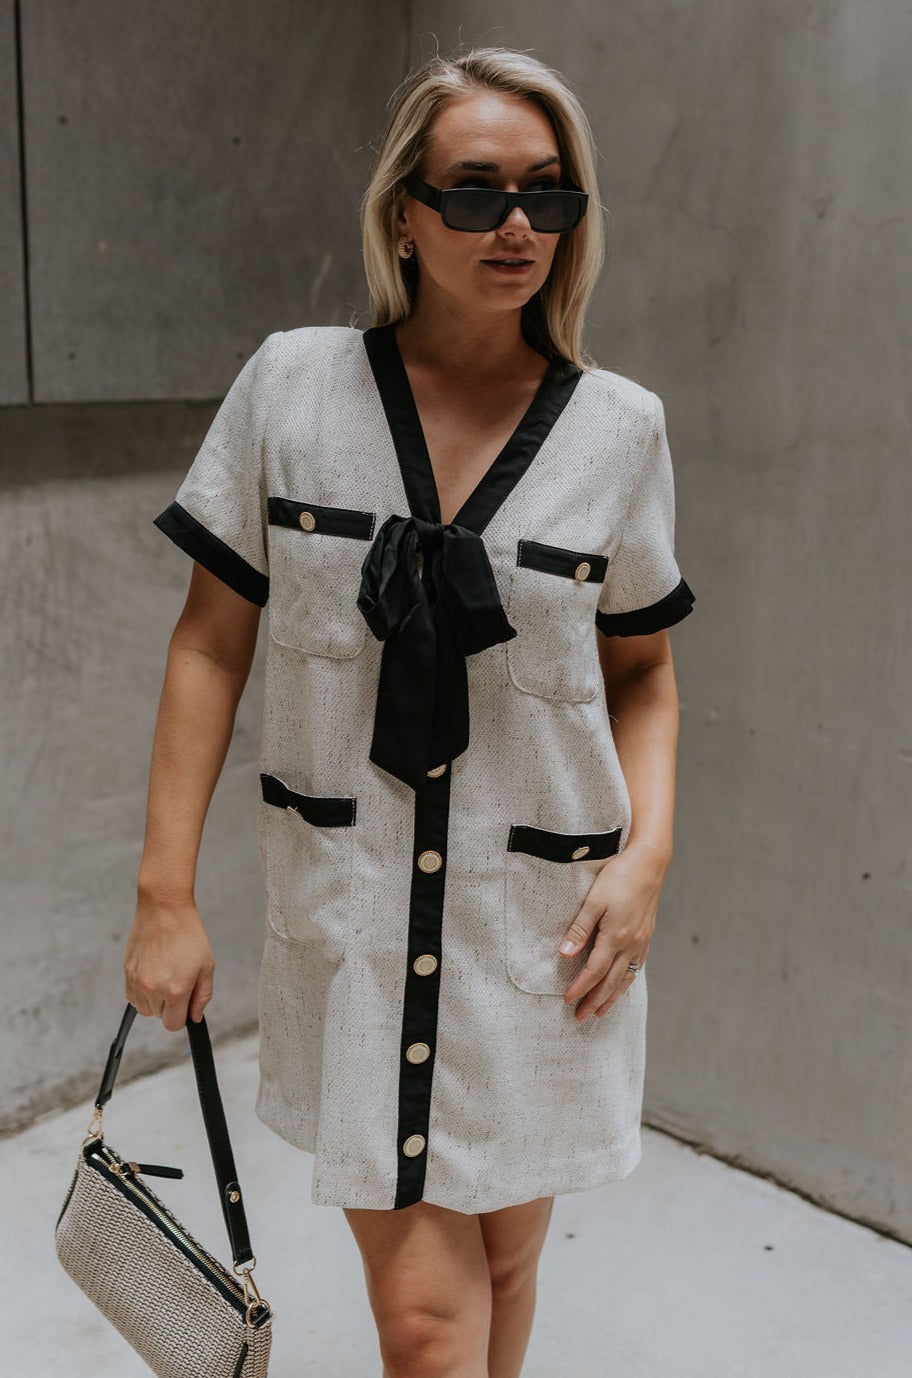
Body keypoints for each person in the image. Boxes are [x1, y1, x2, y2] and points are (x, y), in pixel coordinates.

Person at [124, 46, 695, 1378]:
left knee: (503, 1270)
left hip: (544, 940)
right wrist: (163, 891)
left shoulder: (619, 430)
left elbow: (645, 672)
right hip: (360, 923)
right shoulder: (293, 390)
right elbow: (211, 642)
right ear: (403, 214)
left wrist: (648, 852)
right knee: (431, 1324)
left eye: (550, 197)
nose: (516, 225)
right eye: (479, 189)